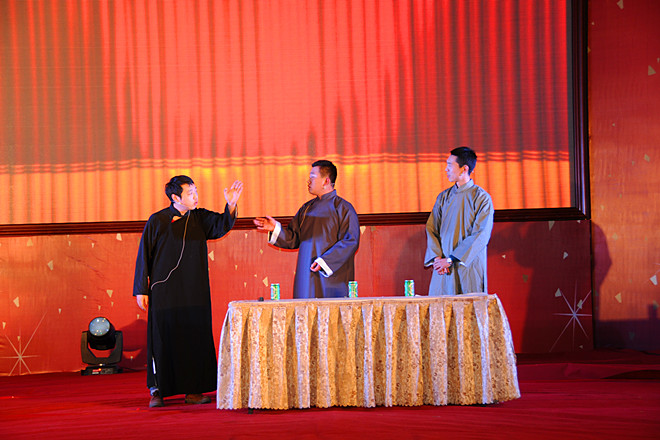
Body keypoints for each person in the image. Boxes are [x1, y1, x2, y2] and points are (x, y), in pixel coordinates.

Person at [133, 175, 243, 408]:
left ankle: (193, 390)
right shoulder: (157, 220)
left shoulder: (200, 218)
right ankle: (158, 390)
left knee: (194, 337)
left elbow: (222, 224)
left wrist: (231, 204)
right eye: (190, 193)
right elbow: (144, 254)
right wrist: (141, 289)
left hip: (194, 290)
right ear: (175, 197)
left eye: (196, 191)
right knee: (163, 337)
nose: (196, 196)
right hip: (164, 291)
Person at [253, 160, 360, 298]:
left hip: (331, 277)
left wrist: (324, 262)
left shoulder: (343, 208)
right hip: (306, 274)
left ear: (326, 181)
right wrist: (275, 228)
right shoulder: (306, 209)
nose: (308, 181)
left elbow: (350, 241)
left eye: (312, 177)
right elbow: (293, 238)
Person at [425, 147, 494, 295]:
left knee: (468, 306)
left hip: (467, 265)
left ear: (464, 168)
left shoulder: (481, 198)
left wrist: (451, 259)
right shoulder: (443, 197)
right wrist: (438, 259)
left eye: (450, 165)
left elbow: (481, 234)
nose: (446, 169)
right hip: (443, 268)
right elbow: (431, 228)